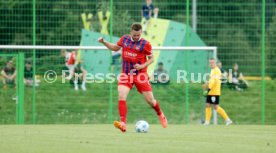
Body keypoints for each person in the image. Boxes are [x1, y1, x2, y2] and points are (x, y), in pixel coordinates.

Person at [98, 23, 167, 132]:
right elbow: (115, 48)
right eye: (134, 35)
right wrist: (104, 42)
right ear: (131, 32)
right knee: (121, 95)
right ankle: (123, 123)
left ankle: (160, 114)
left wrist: (142, 66)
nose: (136, 37)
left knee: (151, 101)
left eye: (138, 35)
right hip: (126, 74)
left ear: (141, 33)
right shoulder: (124, 39)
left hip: (141, 75)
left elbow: (151, 58)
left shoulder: (145, 44)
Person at [203, 58, 232, 126]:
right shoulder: (212, 70)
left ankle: (228, 120)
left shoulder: (217, 70)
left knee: (215, 106)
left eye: (212, 62)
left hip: (214, 91)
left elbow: (214, 81)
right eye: (210, 62)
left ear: (215, 63)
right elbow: (212, 80)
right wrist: (207, 82)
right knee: (207, 105)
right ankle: (207, 121)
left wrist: (208, 89)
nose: (211, 64)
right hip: (211, 91)